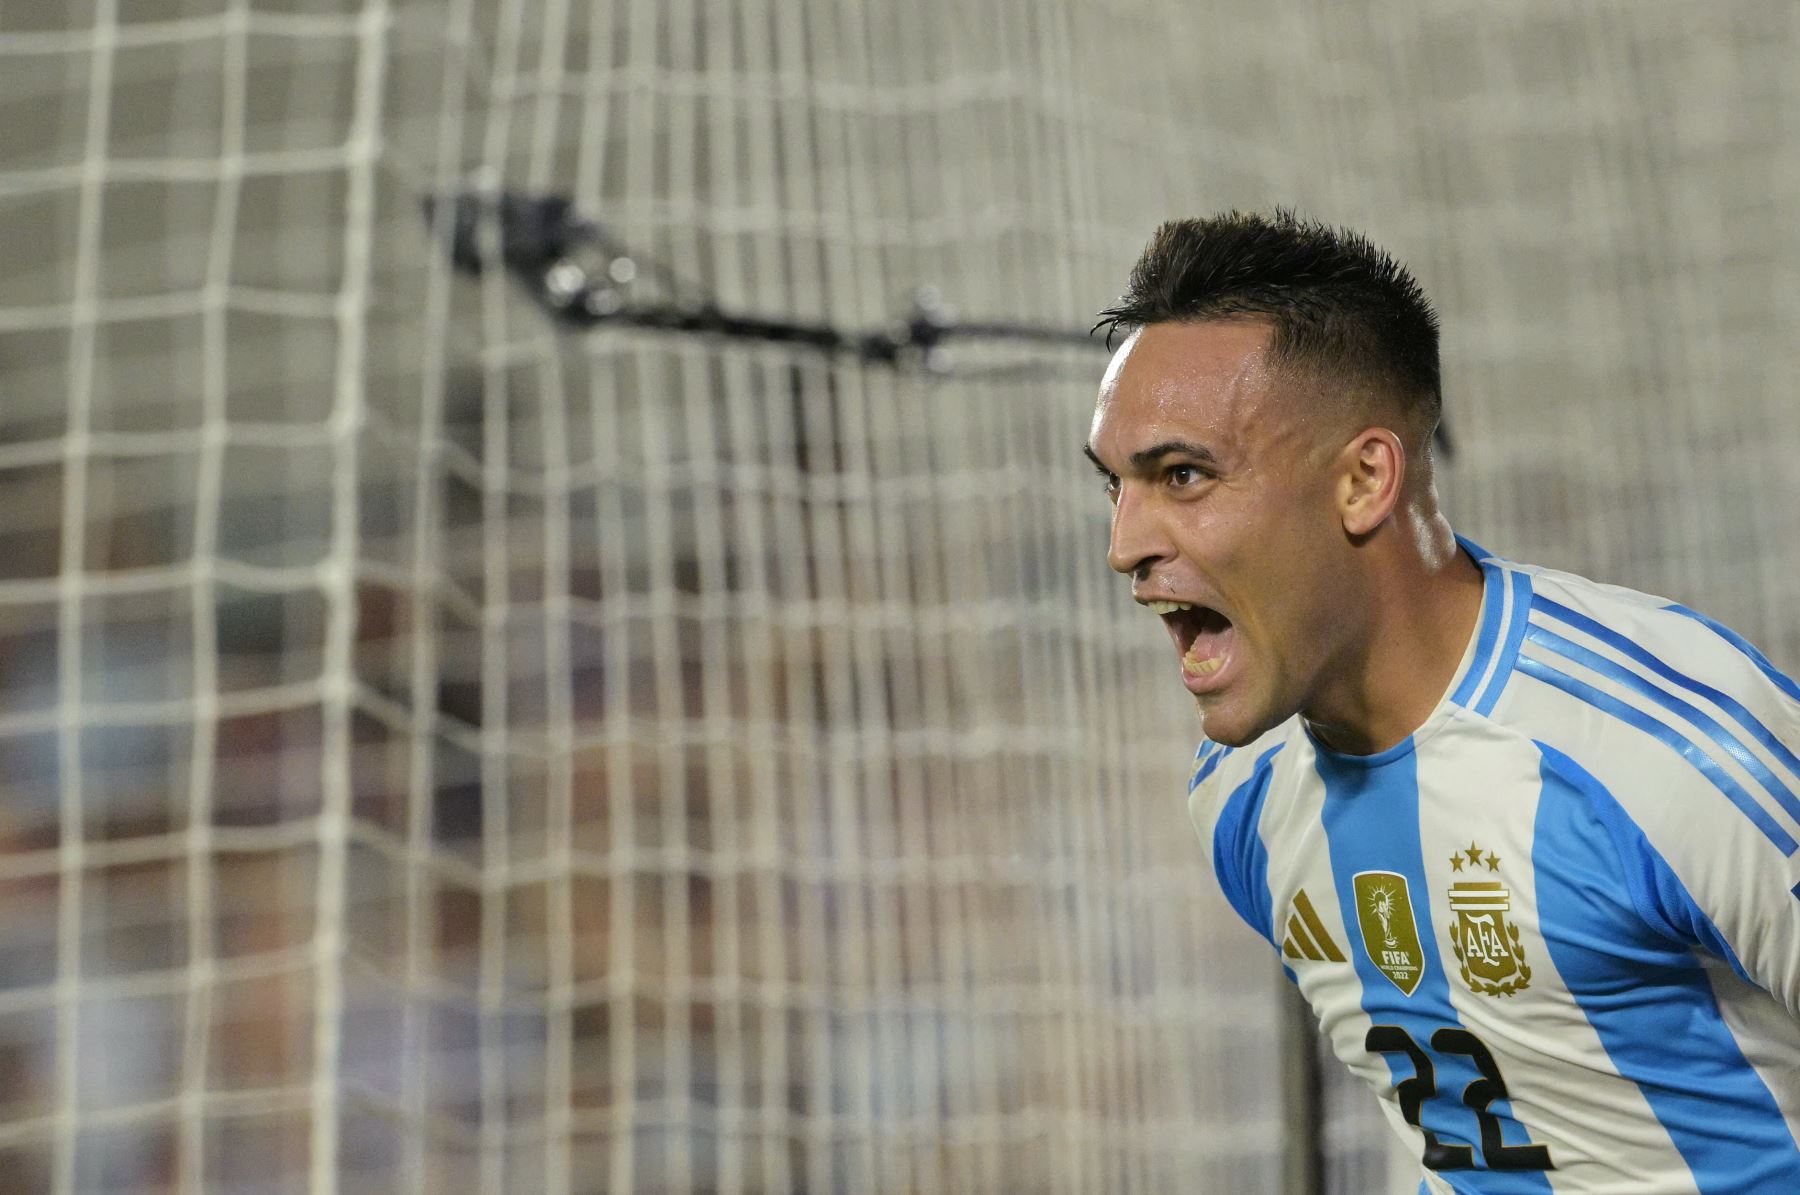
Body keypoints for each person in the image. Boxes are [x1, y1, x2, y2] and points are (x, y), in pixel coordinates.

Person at [1084, 210, 1800, 1192]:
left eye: (1182, 475)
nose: (1124, 544)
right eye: (1116, 485)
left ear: (1365, 478)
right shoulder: (1242, 796)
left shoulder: (1665, 745)